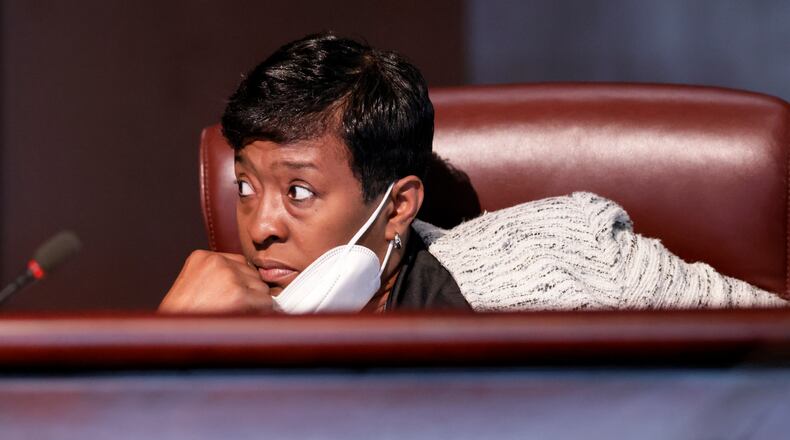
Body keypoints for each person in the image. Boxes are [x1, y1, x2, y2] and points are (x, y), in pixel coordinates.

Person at [160, 33, 787, 314]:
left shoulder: (559, 261)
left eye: (298, 192)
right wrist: (170, 358)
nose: (259, 227)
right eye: (245, 186)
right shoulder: (220, 319)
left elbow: (769, 350)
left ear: (398, 206)